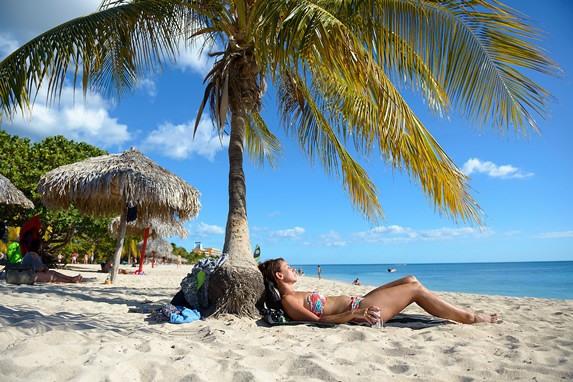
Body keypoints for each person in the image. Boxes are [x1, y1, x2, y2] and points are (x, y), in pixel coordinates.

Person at [258, 258, 498, 325]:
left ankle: (464, 314)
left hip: (360, 301)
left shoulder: (295, 294)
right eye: (288, 267)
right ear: (280, 276)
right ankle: (470, 317)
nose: (292, 269)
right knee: (415, 289)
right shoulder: (289, 300)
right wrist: (354, 315)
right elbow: (320, 320)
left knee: (410, 278)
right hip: (362, 310)